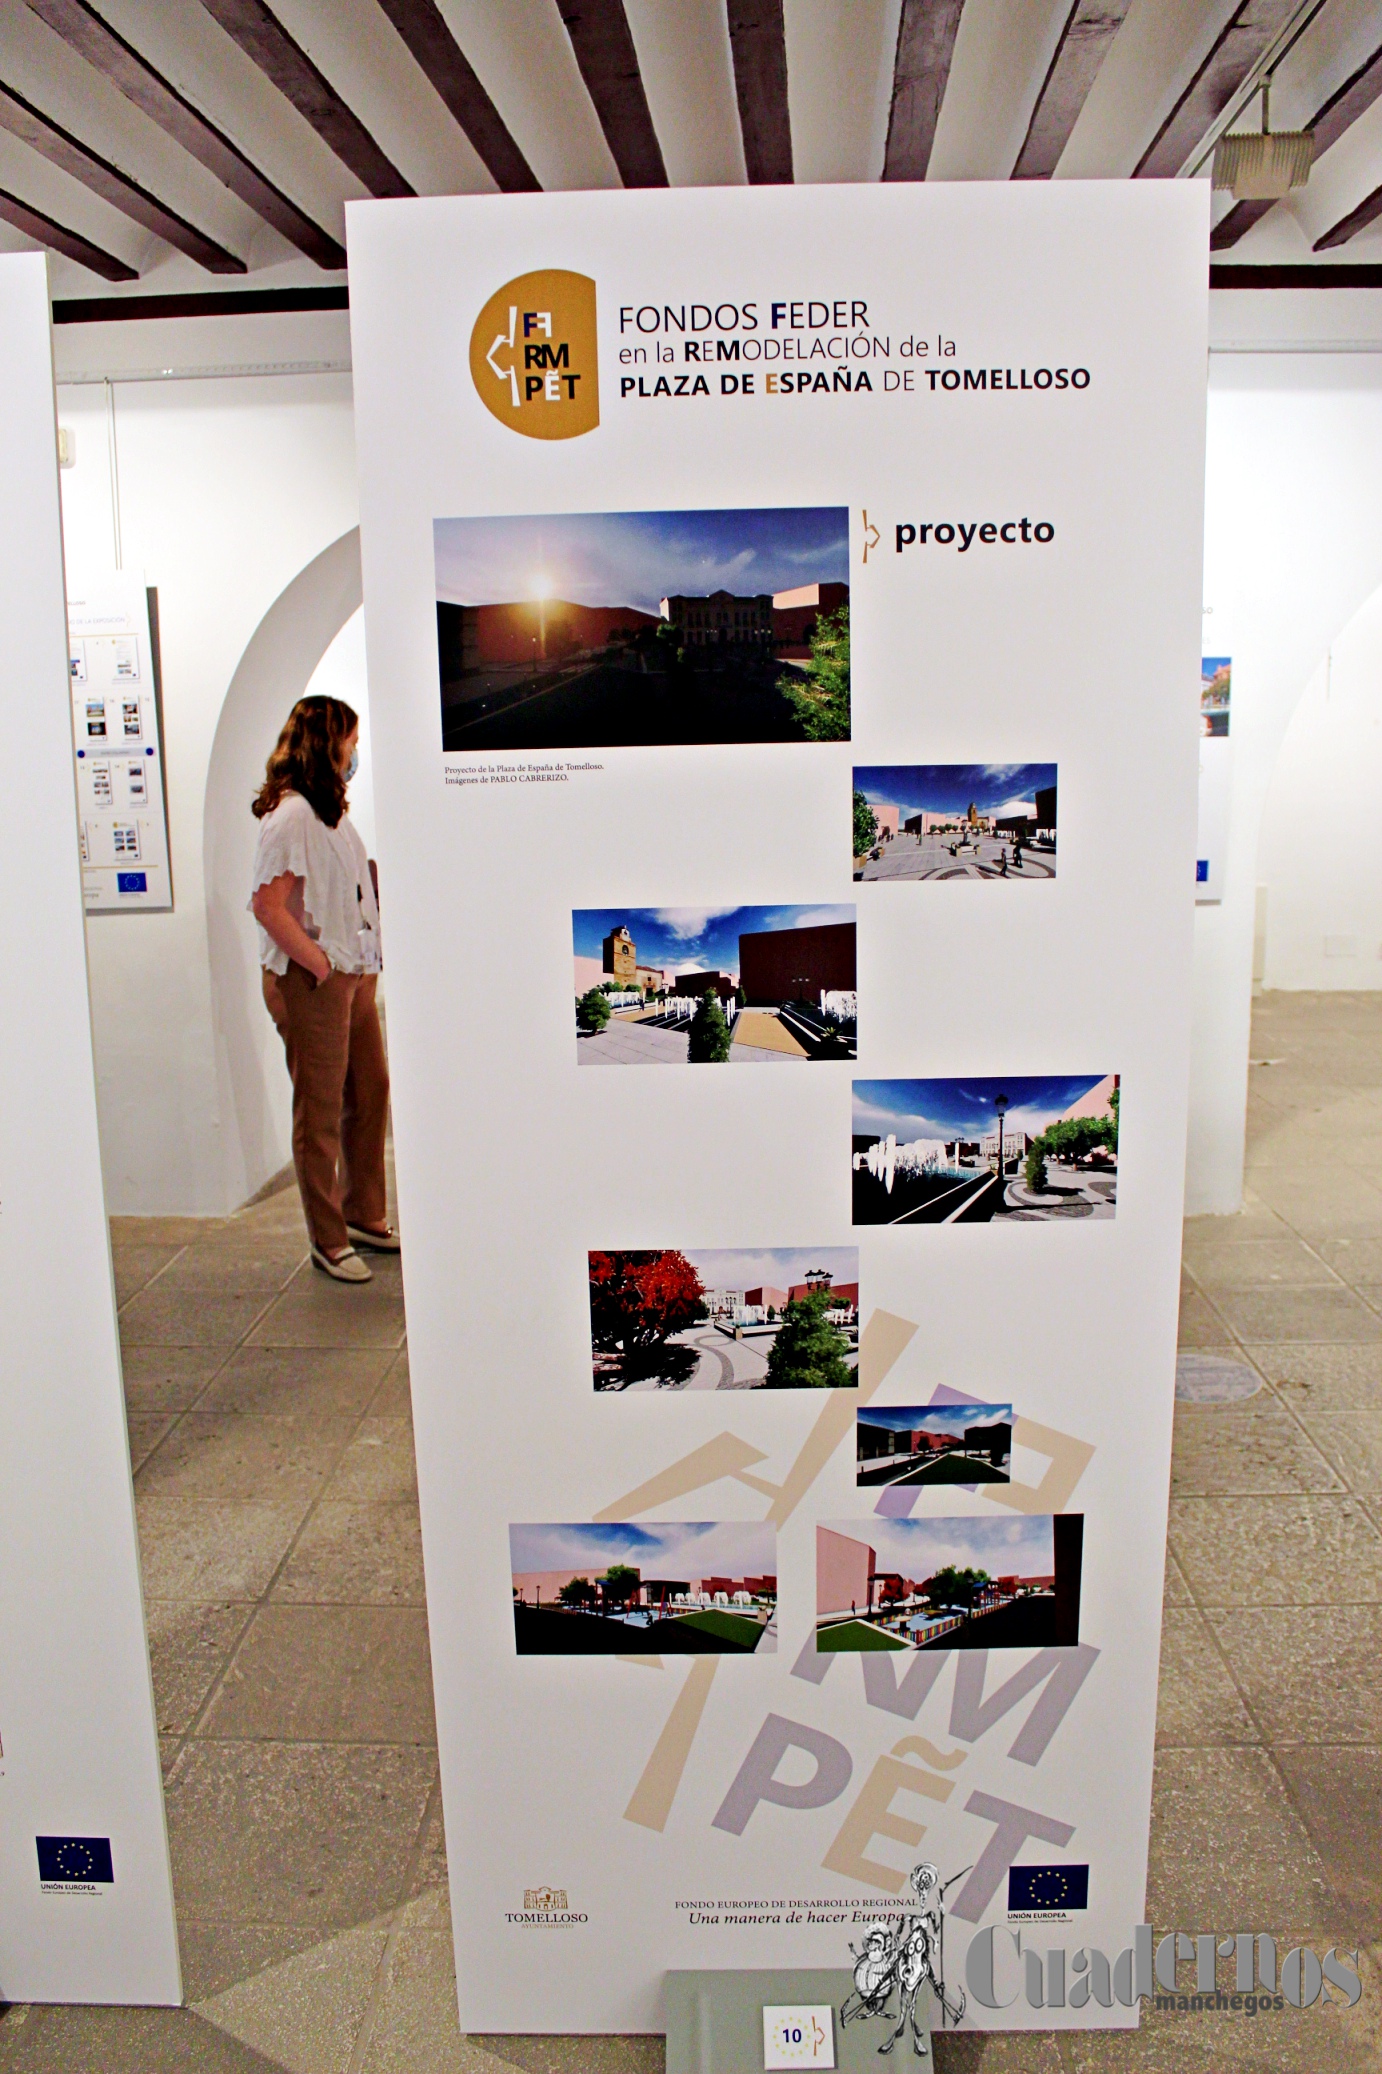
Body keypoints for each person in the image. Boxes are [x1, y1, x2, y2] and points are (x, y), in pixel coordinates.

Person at [249, 695, 396, 1283]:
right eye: (350, 742)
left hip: (352, 976)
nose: (355, 753)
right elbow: (268, 906)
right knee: (321, 1109)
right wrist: (319, 967)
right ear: (325, 743)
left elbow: (344, 887)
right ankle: (327, 1239)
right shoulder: (290, 817)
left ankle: (363, 1213)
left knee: (372, 1090)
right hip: (314, 982)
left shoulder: (328, 811)